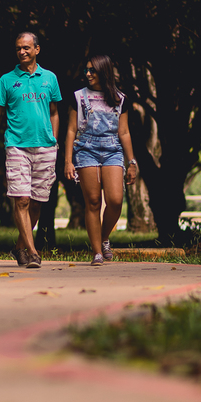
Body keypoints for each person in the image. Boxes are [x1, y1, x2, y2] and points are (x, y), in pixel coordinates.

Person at [0, 32, 60, 269]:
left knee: (37, 202)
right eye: (18, 48)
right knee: (21, 199)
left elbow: (54, 112)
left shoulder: (50, 78)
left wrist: (54, 140)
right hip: (17, 146)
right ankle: (32, 251)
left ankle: (20, 247)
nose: (22, 52)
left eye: (26, 48)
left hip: (46, 147)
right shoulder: (7, 80)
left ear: (37, 50)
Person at [63, 54, 138, 265]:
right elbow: (70, 130)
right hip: (86, 149)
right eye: (86, 70)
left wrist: (131, 162)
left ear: (103, 71)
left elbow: (124, 132)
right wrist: (68, 161)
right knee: (93, 201)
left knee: (115, 200)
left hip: (113, 149)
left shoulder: (120, 98)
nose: (87, 74)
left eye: (92, 70)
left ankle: (104, 237)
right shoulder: (78, 97)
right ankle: (97, 251)